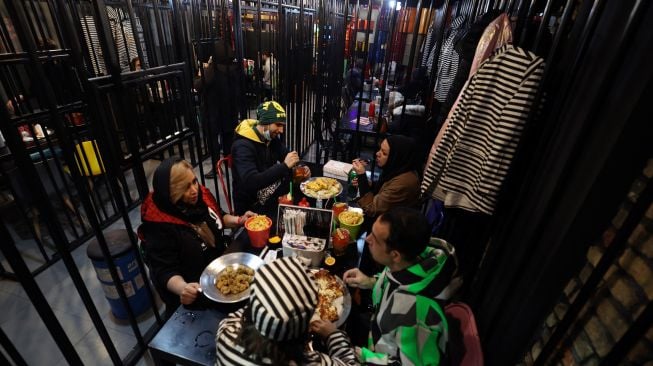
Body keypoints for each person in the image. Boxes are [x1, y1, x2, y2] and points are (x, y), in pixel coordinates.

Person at [317, 207, 455, 365]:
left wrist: (337, 340)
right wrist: (371, 282)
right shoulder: (409, 261)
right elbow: (395, 285)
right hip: (376, 336)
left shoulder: (417, 316)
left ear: (395, 255)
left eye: (374, 238)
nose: (367, 239)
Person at [139, 158, 256, 317]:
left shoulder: (200, 197)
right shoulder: (159, 225)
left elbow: (219, 217)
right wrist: (183, 288)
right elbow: (164, 270)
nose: (194, 190)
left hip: (220, 272)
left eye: (194, 181)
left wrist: (239, 220)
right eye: (185, 187)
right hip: (196, 292)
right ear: (171, 192)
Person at [215, 256, 357, 365]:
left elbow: (238, 315)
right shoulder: (310, 362)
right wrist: (332, 335)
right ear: (305, 329)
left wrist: (265, 300)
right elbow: (350, 363)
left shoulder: (225, 335)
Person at [231, 100, 300, 218]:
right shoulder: (242, 146)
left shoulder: (269, 137)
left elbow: (287, 155)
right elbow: (251, 182)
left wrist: (300, 167)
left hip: (270, 191)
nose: (281, 130)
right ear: (265, 122)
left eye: (282, 125)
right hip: (252, 204)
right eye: (278, 125)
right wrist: (284, 166)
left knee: (302, 193)